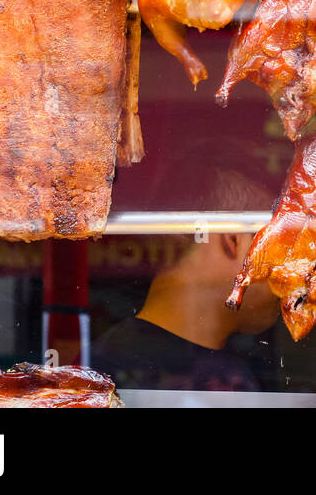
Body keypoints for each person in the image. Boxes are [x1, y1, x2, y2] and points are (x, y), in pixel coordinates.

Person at [92, 153, 283, 393]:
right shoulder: (112, 373)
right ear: (234, 239)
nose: (286, 271)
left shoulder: (103, 366)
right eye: (277, 245)